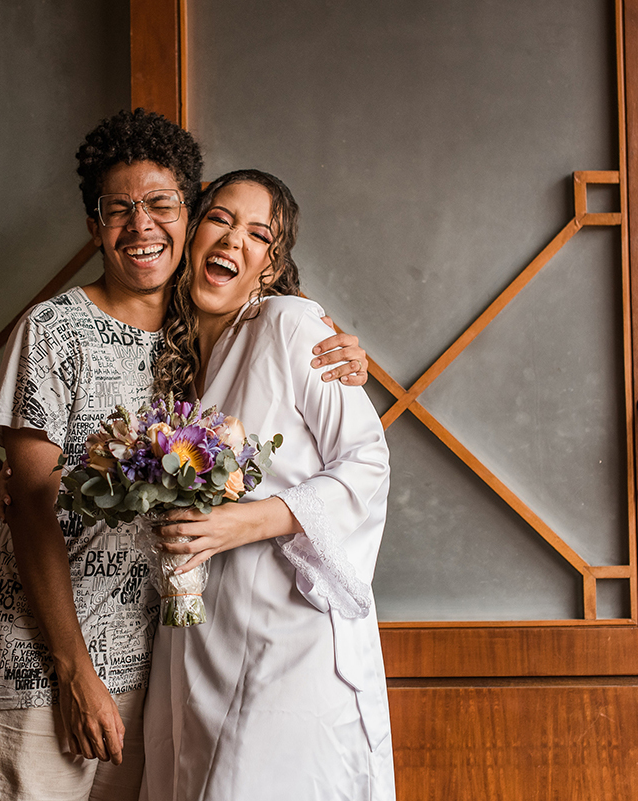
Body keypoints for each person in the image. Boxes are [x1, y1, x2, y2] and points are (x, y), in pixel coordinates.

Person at [0, 111, 370, 801]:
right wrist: (73, 672)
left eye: (160, 205)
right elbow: (31, 509)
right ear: (94, 226)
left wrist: (354, 359)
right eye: (119, 209)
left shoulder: (201, 338)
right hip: (43, 663)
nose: (141, 226)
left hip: (154, 674)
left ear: (187, 212)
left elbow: (304, 390)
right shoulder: (54, 329)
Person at [141, 170, 395, 800]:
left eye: (259, 235)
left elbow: (368, 459)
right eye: (221, 219)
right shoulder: (173, 366)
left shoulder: (289, 325)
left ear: (270, 267)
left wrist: (245, 522)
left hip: (290, 641)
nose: (235, 240)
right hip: (197, 639)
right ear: (192, 232)